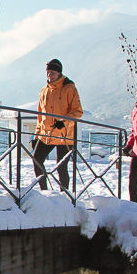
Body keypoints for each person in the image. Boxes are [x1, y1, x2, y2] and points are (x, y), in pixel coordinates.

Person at [31, 59, 82, 191]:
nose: (50, 75)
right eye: (48, 72)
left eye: (53, 72)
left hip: (64, 135)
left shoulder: (69, 88)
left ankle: (64, 194)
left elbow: (77, 111)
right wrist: (36, 135)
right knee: (37, 160)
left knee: (61, 167)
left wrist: (63, 122)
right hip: (45, 134)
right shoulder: (44, 90)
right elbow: (40, 115)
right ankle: (44, 191)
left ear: (59, 73)